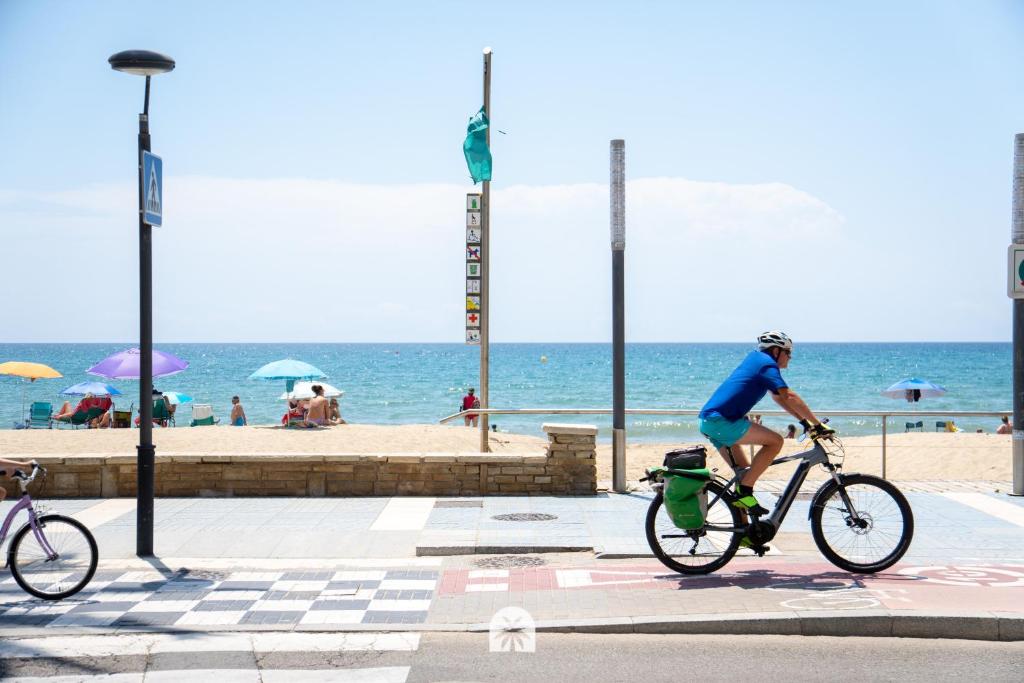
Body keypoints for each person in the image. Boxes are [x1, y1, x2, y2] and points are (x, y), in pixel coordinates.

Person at [698, 331, 832, 520]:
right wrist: (817, 424)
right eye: (788, 352)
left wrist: (804, 422)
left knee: (744, 475)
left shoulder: (757, 360)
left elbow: (779, 397)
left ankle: (744, 533)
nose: (790, 357)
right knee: (776, 442)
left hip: (710, 422)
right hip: (721, 421)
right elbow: (790, 396)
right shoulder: (766, 363)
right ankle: (744, 491)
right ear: (776, 351)